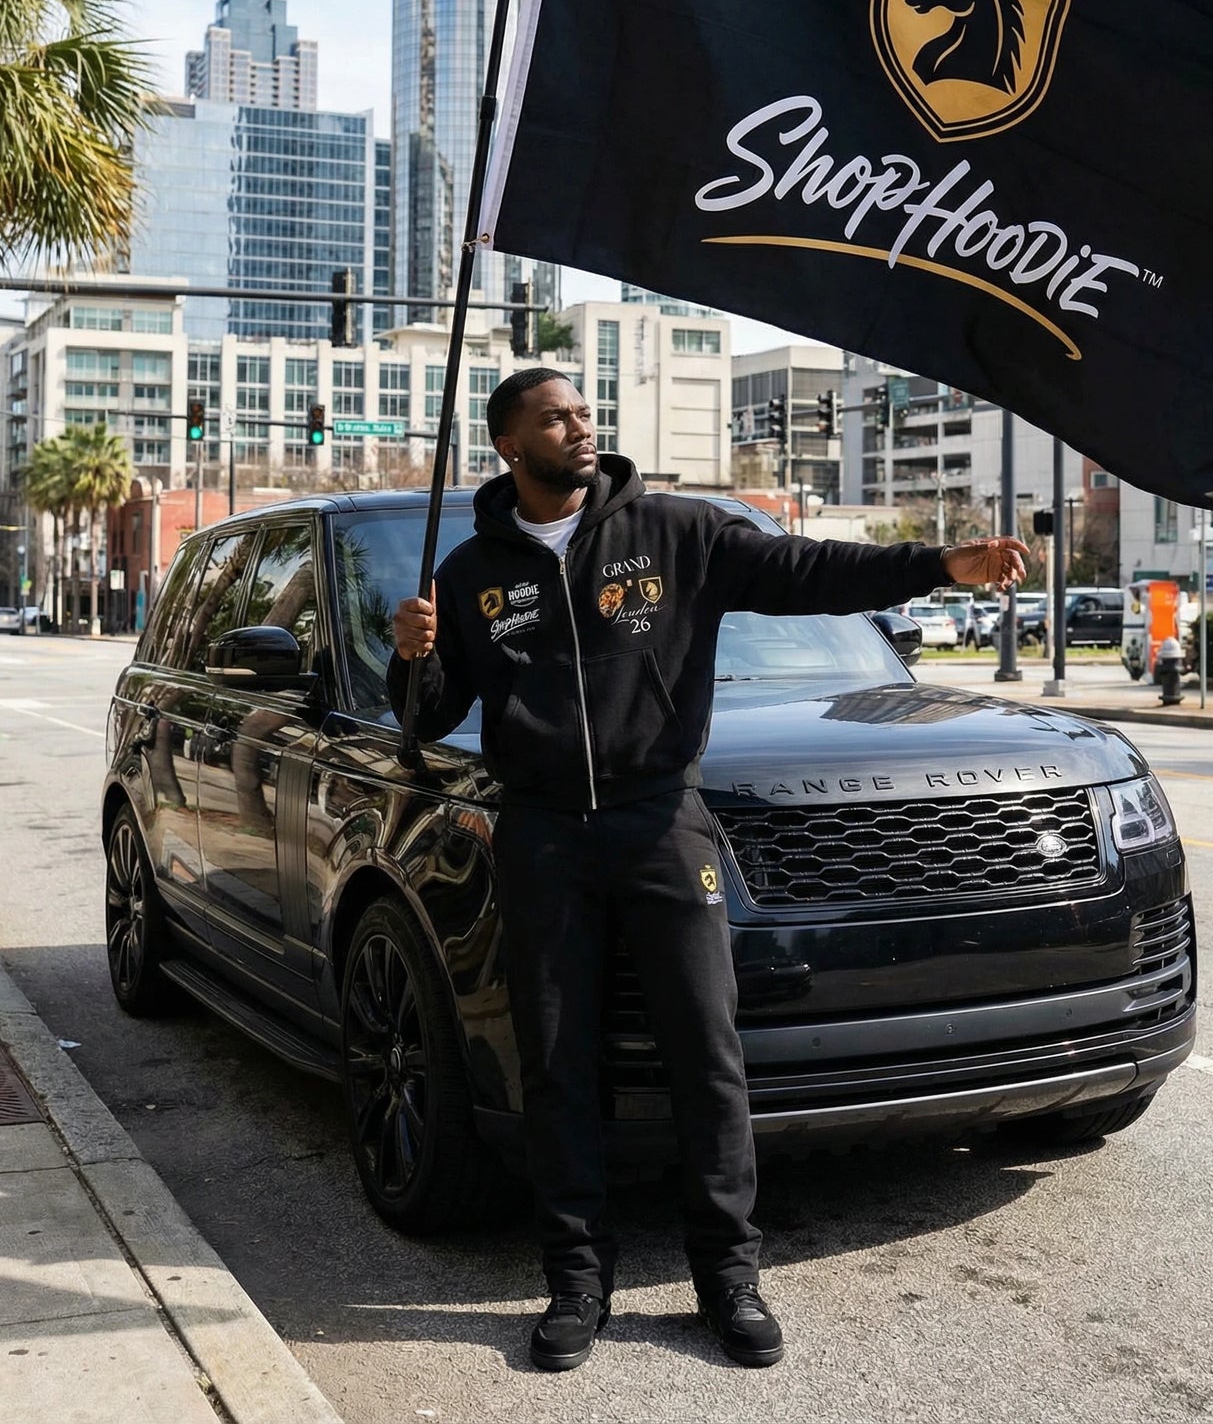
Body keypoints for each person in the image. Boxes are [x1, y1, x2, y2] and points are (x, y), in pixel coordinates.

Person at [389, 369, 1026, 1373]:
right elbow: (427, 717)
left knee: (704, 1055)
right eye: (554, 417)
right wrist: (412, 654)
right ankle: (574, 1281)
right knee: (557, 1060)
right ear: (511, 445)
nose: (579, 425)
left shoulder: (674, 534)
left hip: (659, 823)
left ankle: (727, 1277)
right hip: (543, 834)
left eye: (582, 410)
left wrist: (937, 566)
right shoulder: (470, 572)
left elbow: (808, 571)